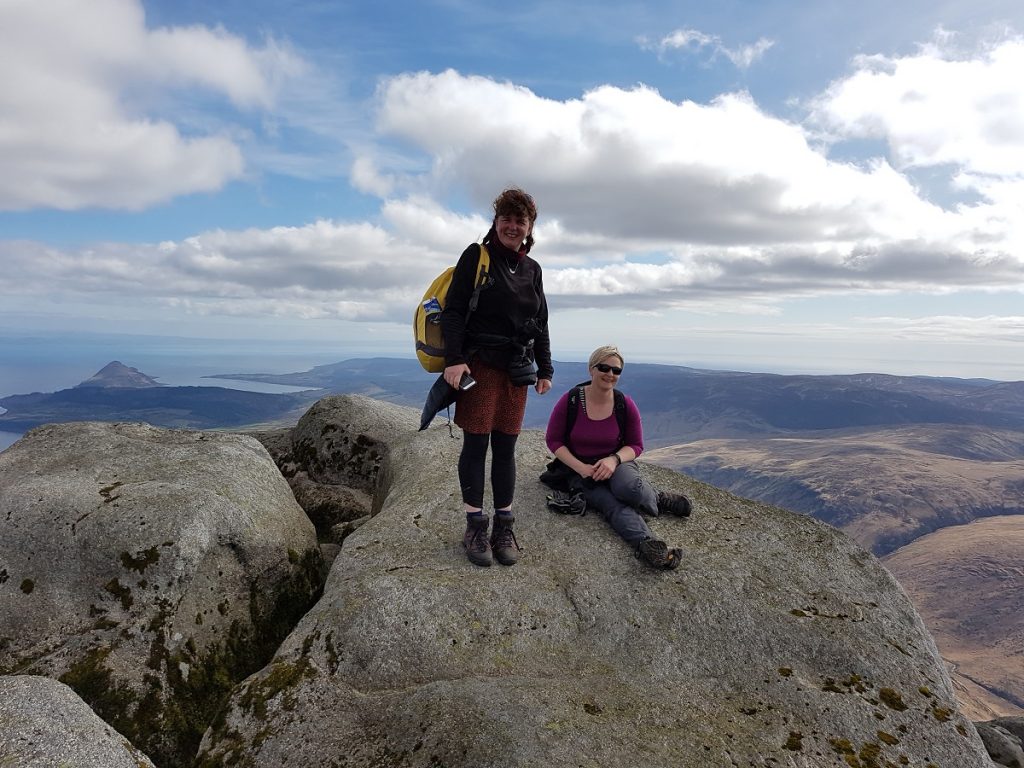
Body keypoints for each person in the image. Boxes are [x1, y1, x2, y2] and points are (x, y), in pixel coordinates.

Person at [442, 187, 553, 567]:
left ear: (529, 227)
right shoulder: (477, 256)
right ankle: (475, 525)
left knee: (505, 447)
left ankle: (504, 524)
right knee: (476, 446)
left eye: (519, 220)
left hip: (516, 372)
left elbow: (541, 322)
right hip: (480, 367)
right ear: (496, 222)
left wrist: (546, 368)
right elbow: (454, 311)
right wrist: (454, 360)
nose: (512, 225)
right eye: (506, 218)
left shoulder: (532, 269)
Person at [543, 345, 691, 569]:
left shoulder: (624, 404)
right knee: (609, 502)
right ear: (591, 369)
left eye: (616, 370)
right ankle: (648, 545)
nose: (610, 374)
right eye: (604, 367)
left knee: (627, 488)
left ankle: (657, 499)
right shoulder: (571, 401)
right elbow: (554, 441)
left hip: (616, 461)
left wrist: (614, 460)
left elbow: (636, 445)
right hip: (581, 469)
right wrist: (581, 468)